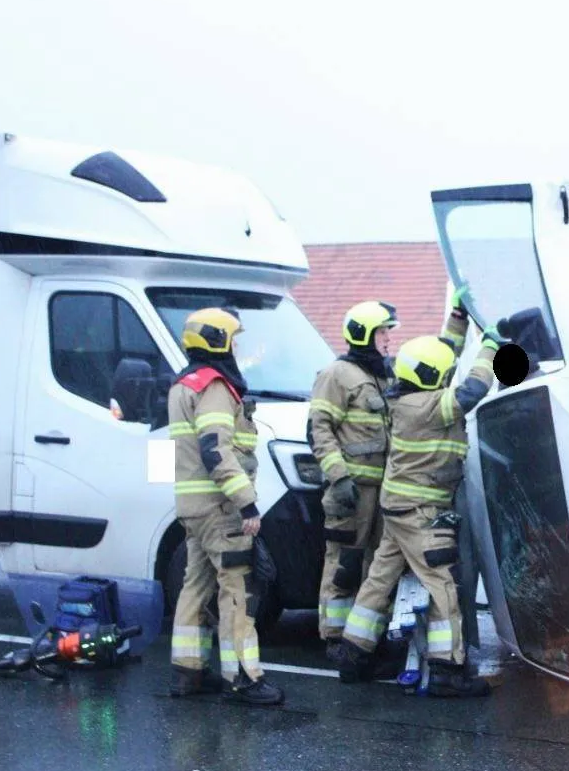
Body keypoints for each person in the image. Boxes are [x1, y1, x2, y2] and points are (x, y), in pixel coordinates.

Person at [337, 319, 504, 697]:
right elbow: (473, 389)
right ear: (431, 377)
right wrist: (489, 349)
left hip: (399, 509)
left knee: (379, 580)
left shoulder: (405, 400)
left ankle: (353, 655)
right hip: (421, 513)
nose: (447, 379)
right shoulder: (427, 406)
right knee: (440, 584)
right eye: (443, 374)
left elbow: (441, 355)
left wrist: (460, 322)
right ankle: (446, 671)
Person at [167, 307, 284, 706]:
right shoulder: (214, 387)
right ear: (219, 342)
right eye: (234, 339)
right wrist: (247, 503)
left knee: (195, 584)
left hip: (193, 508)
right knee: (238, 589)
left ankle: (189, 671)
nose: (238, 348)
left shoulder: (183, 384)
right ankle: (244, 678)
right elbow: (215, 448)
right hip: (221, 509)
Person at [308, 301, 400, 664]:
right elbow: (319, 430)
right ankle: (334, 636)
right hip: (351, 492)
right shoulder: (336, 375)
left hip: (384, 492)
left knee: (378, 566)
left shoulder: (385, 375)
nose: (388, 339)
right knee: (343, 564)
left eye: (388, 331)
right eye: (382, 332)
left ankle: (364, 639)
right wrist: (339, 476)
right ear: (363, 334)